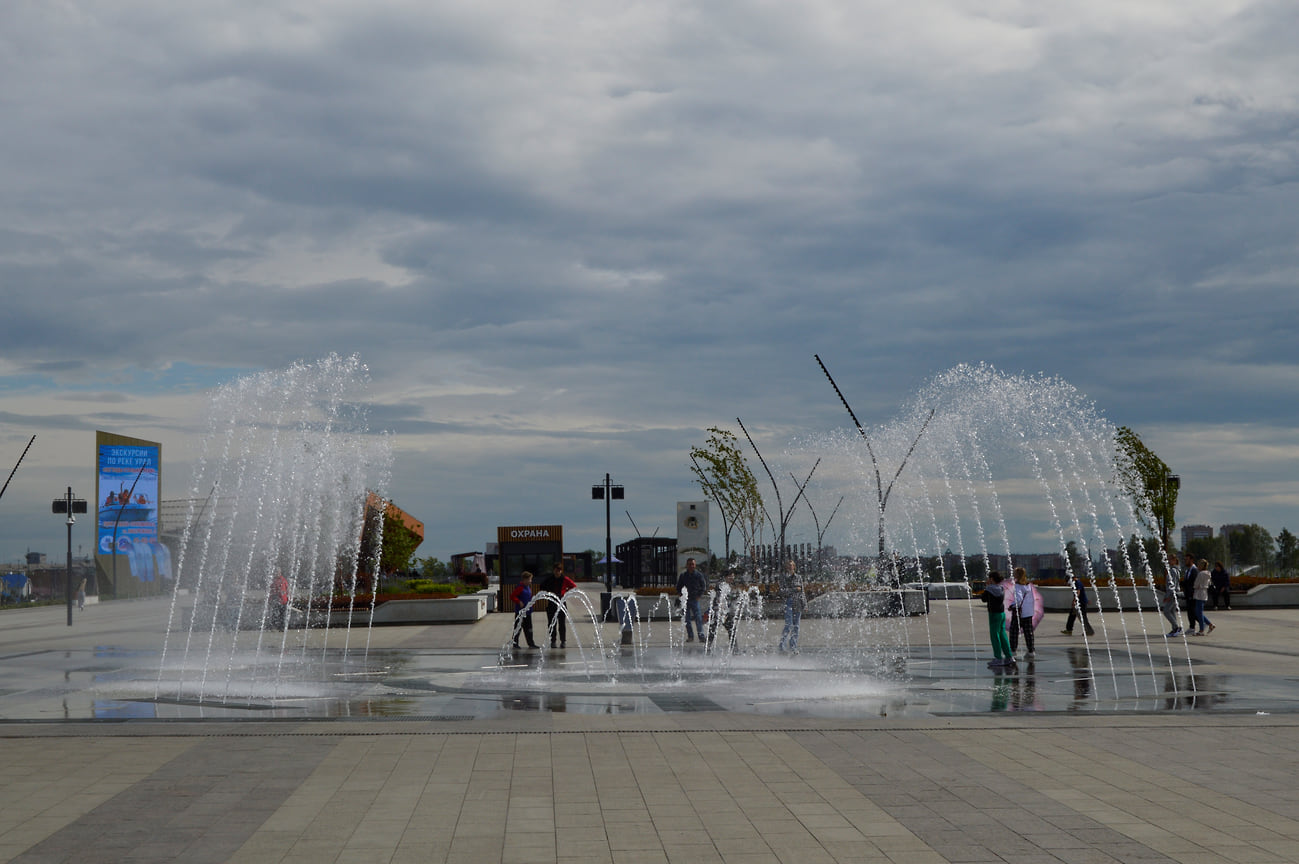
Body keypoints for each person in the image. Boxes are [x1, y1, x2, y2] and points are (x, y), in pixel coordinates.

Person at [981, 571, 1015, 668]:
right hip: (1001, 613)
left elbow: (983, 599)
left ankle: (998, 658)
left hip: (993, 614)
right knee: (1002, 634)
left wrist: (987, 587)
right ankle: (1009, 656)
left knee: (994, 635)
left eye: (989, 578)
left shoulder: (989, 589)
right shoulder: (1001, 588)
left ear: (992, 579)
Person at [541, 562, 577, 648]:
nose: (558, 572)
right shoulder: (549, 579)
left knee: (562, 623)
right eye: (556, 570)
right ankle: (553, 641)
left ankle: (563, 641)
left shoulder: (565, 579)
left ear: (561, 571)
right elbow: (542, 587)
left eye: (559, 570)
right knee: (551, 623)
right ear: (553, 570)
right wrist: (547, 594)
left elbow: (574, 586)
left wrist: (566, 592)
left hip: (561, 602)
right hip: (551, 603)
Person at [776, 560, 806, 653]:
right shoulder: (783, 577)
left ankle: (793, 646)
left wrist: (804, 604)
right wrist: (794, 589)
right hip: (788, 602)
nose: (790, 567)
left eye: (791, 565)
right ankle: (782, 646)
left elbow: (802, 591)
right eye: (788, 565)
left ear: (794, 567)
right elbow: (782, 591)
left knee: (796, 626)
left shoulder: (798, 577)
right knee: (788, 625)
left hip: (798, 602)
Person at [675, 557, 707, 642]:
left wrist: (699, 596)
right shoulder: (683, 576)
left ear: (695, 565)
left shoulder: (699, 575)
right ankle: (690, 636)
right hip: (685, 601)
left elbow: (703, 586)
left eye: (692, 564)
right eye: (689, 564)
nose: (691, 566)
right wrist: (681, 596)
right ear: (687, 565)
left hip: (694, 600)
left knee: (698, 619)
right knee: (687, 619)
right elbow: (678, 587)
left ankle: (701, 636)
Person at [1008, 567, 1036, 660]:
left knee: (1014, 631)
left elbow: (1019, 600)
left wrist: (1012, 606)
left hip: (1019, 612)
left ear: (1017, 575)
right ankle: (1031, 650)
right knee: (1028, 632)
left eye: (1015, 573)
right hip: (1028, 612)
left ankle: (1013, 650)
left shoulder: (1017, 586)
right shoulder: (1028, 585)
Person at [510, 572, 539, 649]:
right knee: (518, 628)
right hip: (520, 612)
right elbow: (512, 596)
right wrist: (519, 601)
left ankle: (531, 643)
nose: (531, 581)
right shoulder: (520, 587)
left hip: (528, 612)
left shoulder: (528, 587)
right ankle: (515, 643)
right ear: (525, 579)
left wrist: (532, 601)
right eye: (530, 579)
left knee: (529, 628)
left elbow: (529, 597)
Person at [1159, 557, 1183, 637]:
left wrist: (1170, 595)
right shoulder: (1176, 570)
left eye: (1170, 559)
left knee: (1166, 611)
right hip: (1174, 593)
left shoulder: (1172, 570)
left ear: (1175, 560)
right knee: (1172, 611)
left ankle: (1176, 627)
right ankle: (1174, 629)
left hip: (1172, 593)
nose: (1168, 561)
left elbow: (1173, 584)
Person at [1193, 558, 1215, 635]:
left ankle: (1202, 629)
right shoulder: (1208, 574)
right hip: (1204, 593)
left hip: (1199, 593)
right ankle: (1210, 624)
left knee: (1198, 612)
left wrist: (1196, 586)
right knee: (1199, 612)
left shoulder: (1200, 574)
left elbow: (1196, 584)